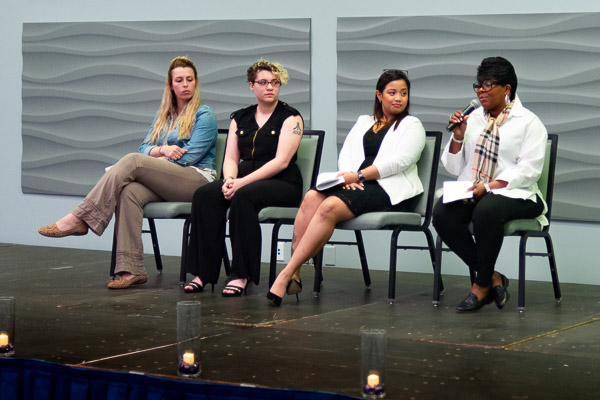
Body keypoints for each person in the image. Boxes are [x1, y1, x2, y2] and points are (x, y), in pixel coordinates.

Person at [38, 56, 218, 289]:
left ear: (196, 83)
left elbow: (191, 156)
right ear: (171, 85)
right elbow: (144, 147)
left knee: (133, 162)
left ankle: (79, 218)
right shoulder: (163, 115)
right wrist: (162, 149)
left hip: (197, 180)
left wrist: (153, 160)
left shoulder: (205, 115)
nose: (185, 84)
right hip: (167, 180)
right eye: (179, 80)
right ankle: (131, 270)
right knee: (129, 191)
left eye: (190, 80)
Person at [267, 69, 426, 306]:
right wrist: (348, 177)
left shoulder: (412, 125)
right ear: (379, 95)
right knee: (311, 197)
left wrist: (359, 175)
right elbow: (348, 153)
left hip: (390, 190)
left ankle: (286, 273)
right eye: (392, 92)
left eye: (403, 93)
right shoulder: (365, 121)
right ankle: (295, 274)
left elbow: (400, 162)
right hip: (355, 183)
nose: (398, 98)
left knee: (329, 206)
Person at [432, 56, 548, 312]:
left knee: (486, 211)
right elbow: (452, 167)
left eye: (488, 84)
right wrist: (458, 138)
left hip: (518, 194)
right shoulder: (472, 119)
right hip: (475, 189)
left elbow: (529, 171)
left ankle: (480, 285)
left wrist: (491, 185)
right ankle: (493, 277)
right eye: (478, 85)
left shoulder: (529, 123)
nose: (481, 91)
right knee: (442, 213)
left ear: (506, 89)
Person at [182, 59, 304, 296]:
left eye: (275, 82)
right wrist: (229, 179)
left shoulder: (291, 118)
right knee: (205, 195)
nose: (270, 87)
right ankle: (202, 273)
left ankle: (241, 274)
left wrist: (240, 184)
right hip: (244, 180)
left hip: (283, 183)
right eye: (263, 82)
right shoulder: (240, 117)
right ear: (251, 85)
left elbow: (281, 162)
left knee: (244, 197)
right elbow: (231, 157)